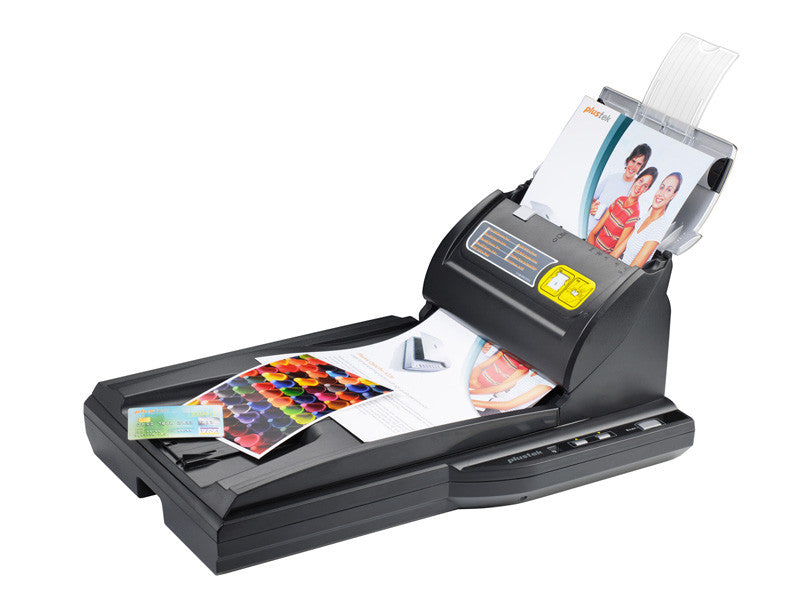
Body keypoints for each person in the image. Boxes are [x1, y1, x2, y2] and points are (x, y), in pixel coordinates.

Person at [587, 167, 657, 258]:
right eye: (640, 181)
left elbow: (616, 252)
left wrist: (594, 258)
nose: (640, 187)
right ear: (636, 180)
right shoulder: (619, 200)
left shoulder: (634, 214)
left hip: (603, 258)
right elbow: (593, 233)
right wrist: (590, 251)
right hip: (591, 248)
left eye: (645, 186)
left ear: (646, 190)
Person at [469, 343, 553, 413]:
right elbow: (502, 387)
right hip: (491, 400)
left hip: (499, 412)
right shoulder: (531, 370)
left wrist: (472, 401)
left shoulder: (546, 385)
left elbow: (507, 405)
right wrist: (471, 393)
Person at [623, 172, 683, 267]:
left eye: (668, 190)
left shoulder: (660, 227)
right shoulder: (646, 215)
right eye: (662, 187)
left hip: (626, 271)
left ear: (673, 195)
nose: (661, 193)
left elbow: (633, 268)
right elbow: (622, 246)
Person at [588, 144, 652, 231]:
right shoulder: (612, 178)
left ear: (642, 167)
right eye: (633, 161)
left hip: (603, 235)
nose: (633, 166)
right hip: (587, 226)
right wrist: (591, 207)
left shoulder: (635, 190)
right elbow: (592, 198)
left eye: (639, 164)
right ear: (629, 160)